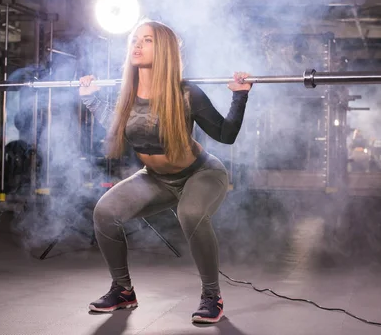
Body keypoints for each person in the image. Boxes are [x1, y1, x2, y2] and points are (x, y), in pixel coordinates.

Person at [78, 20, 252, 324]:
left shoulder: (187, 94)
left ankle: (212, 296)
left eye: (147, 40)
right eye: (134, 39)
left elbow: (225, 135)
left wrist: (240, 96)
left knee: (192, 214)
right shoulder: (127, 93)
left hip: (202, 174)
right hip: (156, 179)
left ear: (166, 49)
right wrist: (91, 99)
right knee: (105, 212)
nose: (137, 45)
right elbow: (119, 123)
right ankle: (123, 291)